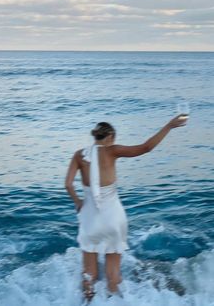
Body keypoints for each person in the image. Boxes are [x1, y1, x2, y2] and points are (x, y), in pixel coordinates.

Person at [65, 114, 188, 302]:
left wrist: (78, 202)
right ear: (111, 137)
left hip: (89, 218)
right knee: (113, 276)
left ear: (95, 136)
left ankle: (89, 301)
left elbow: (68, 184)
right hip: (113, 218)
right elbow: (146, 147)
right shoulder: (112, 150)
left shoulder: (79, 155)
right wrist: (169, 125)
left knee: (89, 274)